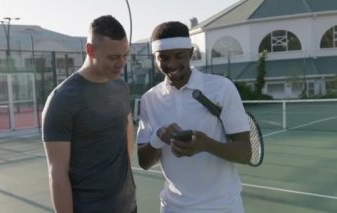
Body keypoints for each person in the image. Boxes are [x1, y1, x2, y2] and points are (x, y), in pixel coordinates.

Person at [136, 21, 251, 213]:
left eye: (179, 56)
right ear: (154, 58)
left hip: (223, 207)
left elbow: (245, 153)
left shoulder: (222, 88)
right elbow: (144, 162)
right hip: (172, 208)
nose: (171, 64)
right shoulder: (150, 99)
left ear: (190, 52)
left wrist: (206, 145)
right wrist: (158, 136)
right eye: (163, 58)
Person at [42, 15, 137, 213]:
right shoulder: (62, 99)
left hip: (127, 206)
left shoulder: (121, 87)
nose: (121, 63)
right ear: (90, 50)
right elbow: (57, 173)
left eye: (125, 55)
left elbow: (127, 128)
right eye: (113, 57)